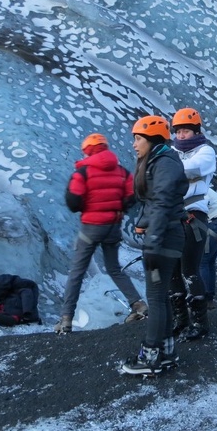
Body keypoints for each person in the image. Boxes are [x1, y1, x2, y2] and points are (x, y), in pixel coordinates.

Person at [55, 133, 146, 334]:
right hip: (114, 227)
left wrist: (90, 206)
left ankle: (66, 318)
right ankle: (138, 304)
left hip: (91, 228)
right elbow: (132, 195)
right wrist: (118, 207)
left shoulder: (83, 172)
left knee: (77, 272)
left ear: (87, 150)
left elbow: (73, 202)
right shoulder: (121, 171)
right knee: (114, 269)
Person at [120, 115, 189, 375]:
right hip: (164, 235)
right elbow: (153, 203)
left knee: (156, 297)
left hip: (165, 237)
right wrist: (143, 222)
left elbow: (162, 202)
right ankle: (167, 353)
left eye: (138, 138)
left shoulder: (165, 163)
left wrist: (154, 240)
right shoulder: (157, 161)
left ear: (153, 139)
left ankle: (150, 357)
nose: (135, 144)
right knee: (161, 296)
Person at [170, 108, 217, 341]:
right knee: (173, 271)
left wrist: (164, 170)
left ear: (196, 130)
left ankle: (200, 323)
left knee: (189, 269)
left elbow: (190, 171)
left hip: (194, 215)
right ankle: (181, 321)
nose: (181, 135)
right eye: (178, 131)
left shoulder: (206, 152)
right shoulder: (173, 153)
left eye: (186, 130)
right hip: (173, 215)